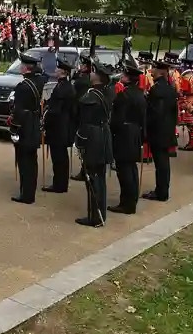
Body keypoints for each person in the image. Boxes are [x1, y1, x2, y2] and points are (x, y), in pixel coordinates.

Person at [74, 63, 114, 227]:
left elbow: (85, 123)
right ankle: (98, 214)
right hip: (103, 135)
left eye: (93, 72)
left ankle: (95, 216)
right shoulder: (107, 93)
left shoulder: (90, 97)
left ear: (97, 77)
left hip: (93, 139)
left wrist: (80, 142)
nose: (90, 74)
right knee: (99, 177)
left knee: (93, 178)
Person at [8, 52, 47, 204]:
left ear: (26, 68)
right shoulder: (40, 81)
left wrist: (14, 127)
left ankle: (26, 194)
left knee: (24, 161)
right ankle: (29, 191)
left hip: (25, 125)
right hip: (35, 123)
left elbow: (18, 111)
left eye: (22, 66)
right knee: (32, 160)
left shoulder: (23, 86)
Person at [109, 63, 146, 214]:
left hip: (124, 134)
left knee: (124, 170)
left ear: (128, 78)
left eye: (124, 75)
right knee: (131, 169)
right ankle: (132, 199)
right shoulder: (140, 94)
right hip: (136, 132)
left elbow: (116, 119)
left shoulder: (124, 95)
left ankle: (126, 203)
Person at [143, 57, 179, 202]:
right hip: (167, 130)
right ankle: (162, 190)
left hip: (158, 132)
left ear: (160, 71)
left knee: (161, 164)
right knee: (164, 163)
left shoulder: (157, 90)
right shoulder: (170, 88)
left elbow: (155, 113)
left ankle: (161, 192)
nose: (151, 71)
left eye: (154, 69)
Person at [41, 61, 75, 193]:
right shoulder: (62, 85)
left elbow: (56, 109)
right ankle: (60, 183)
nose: (55, 70)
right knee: (60, 157)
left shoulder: (64, 87)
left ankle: (59, 185)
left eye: (58, 68)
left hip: (59, 126)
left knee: (59, 157)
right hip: (61, 125)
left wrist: (46, 118)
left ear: (63, 72)